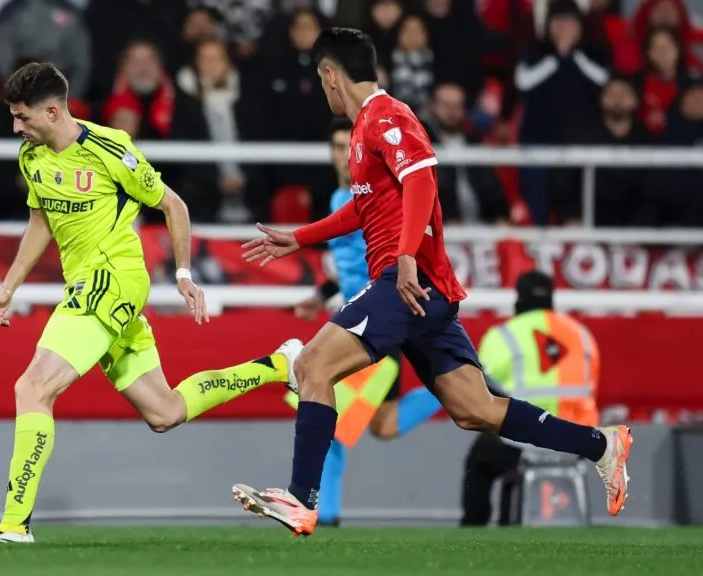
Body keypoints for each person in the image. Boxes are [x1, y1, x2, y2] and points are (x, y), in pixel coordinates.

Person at [230, 28, 633, 537]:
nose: (323, 89)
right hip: (423, 293)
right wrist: (301, 238)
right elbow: (365, 206)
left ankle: (301, 499)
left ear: (331, 74)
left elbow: (421, 179)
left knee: (312, 364)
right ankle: (603, 446)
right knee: (475, 410)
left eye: (321, 79)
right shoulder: (362, 131)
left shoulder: (388, 116)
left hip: (406, 284)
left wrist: (403, 258)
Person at [0, 62, 297, 544]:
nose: (17, 127)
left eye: (22, 117)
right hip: (90, 287)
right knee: (165, 412)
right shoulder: (31, 158)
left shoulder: (110, 149)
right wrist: (9, 286)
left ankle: (13, 526)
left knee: (32, 388)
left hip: (111, 280)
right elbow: (41, 222)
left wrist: (183, 275)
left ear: (52, 110)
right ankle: (280, 364)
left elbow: (173, 205)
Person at [292, 117, 443, 526]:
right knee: (385, 425)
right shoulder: (339, 197)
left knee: (328, 414)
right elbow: (349, 267)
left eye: (348, 146)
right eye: (337, 147)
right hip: (357, 314)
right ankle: (457, 383)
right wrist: (321, 296)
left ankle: (325, 517)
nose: (343, 154)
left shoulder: (376, 194)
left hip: (374, 318)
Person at [460, 270, 600, 526]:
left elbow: (482, 386)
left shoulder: (504, 336)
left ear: (518, 298)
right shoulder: (582, 335)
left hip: (524, 443)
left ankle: (476, 525)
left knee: (479, 460)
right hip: (577, 442)